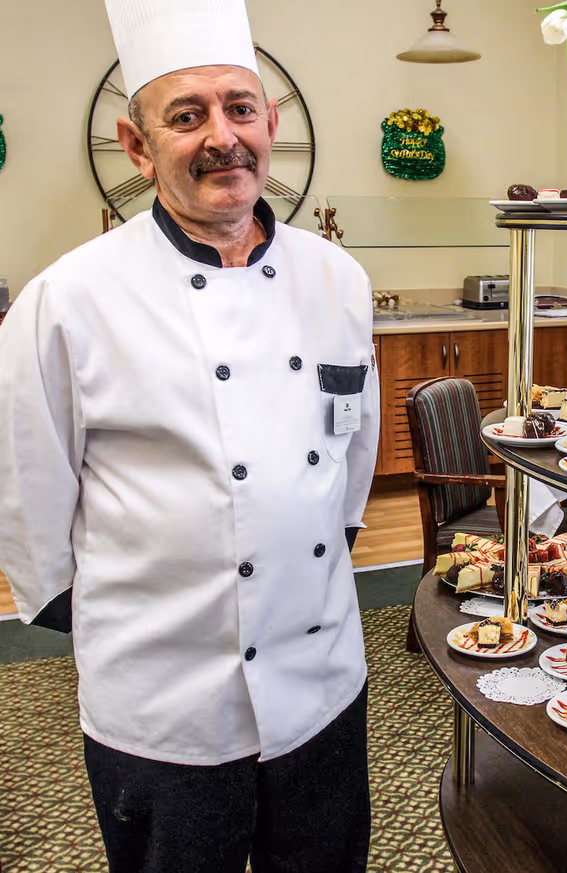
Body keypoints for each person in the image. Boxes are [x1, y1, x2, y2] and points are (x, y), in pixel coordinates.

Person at [0, 1, 379, 870]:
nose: (223, 136)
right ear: (139, 147)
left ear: (270, 123)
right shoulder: (69, 299)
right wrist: (130, 631)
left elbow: (350, 461)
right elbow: (27, 495)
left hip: (321, 678)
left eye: (240, 108)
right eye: (187, 115)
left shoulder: (339, 279)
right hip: (164, 705)